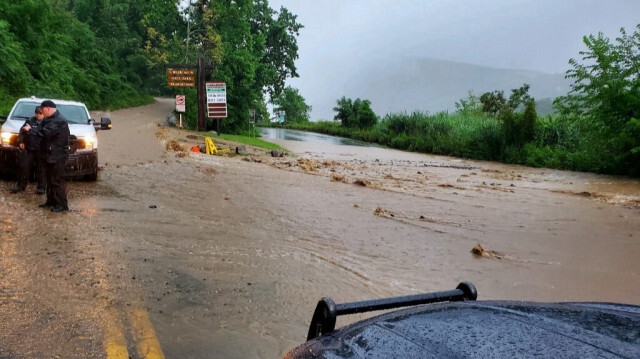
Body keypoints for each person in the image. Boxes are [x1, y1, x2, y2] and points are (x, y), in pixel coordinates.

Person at [23, 100, 70, 213]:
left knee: (56, 180)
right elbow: (40, 129)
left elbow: (45, 133)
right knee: (49, 180)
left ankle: (62, 205)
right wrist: (32, 130)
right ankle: (51, 201)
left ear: (48, 108)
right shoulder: (49, 119)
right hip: (48, 154)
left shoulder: (59, 120)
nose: (41, 112)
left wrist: (30, 130)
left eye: (42, 110)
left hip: (57, 155)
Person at [10, 106, 47, 194]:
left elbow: (43, 134)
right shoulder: (29, 121)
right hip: (29, 148)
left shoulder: (46, 123)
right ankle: (20, 186)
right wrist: (21, 141)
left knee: (41, 169)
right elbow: (22, 131)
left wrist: (32, 130)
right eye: (37, 113)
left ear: (43, 114)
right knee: (23, 167)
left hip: (40, 149)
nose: (38, 115)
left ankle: (41, 187)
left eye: (40, 113)